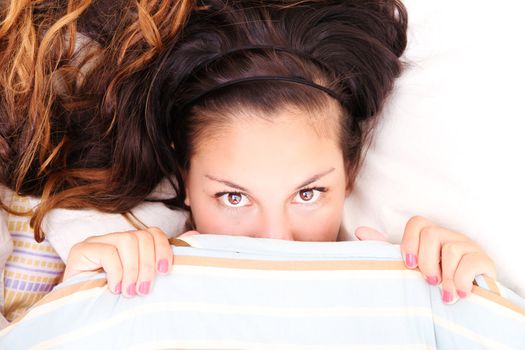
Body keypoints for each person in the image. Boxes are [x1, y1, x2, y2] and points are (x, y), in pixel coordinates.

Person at [62, 0, 495, 305]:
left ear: (349, 171)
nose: (275, 240)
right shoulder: (122, 287)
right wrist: (77, 305)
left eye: (308, 194)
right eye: (234, 197)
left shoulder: (407, 283)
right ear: (183, 177)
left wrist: (462, 298)